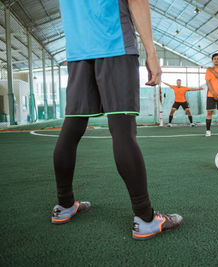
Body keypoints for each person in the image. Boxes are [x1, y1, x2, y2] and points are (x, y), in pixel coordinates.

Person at [53, 0, 182, 241]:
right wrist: (151, 53)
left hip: (78, 51)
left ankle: (64, 205)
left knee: (71, 127)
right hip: (114, 44)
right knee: (122, 130)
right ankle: (145, 219)